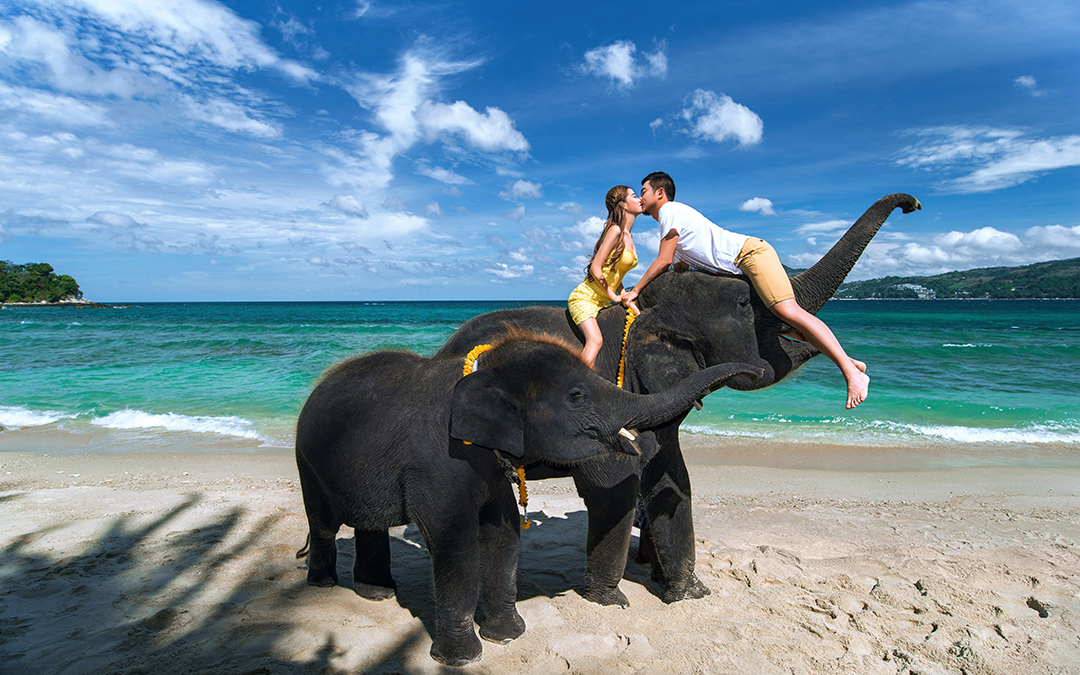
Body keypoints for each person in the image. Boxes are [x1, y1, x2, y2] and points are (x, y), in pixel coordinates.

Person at [622, 171, 870, 409]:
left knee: (788, 311)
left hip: (750, 255)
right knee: (791, 329)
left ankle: (852, 375)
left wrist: (635, 291)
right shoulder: (671, 223)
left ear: (660, 193)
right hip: (740, 269)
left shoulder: (669, 211)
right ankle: (848, 362)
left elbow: (663, 261)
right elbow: (679, 267)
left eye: (643, 191)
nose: (640, 197)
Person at [568, 185, 642, 368]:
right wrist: (614, 297)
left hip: (602, 301)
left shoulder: (629, 236)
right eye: (634, 195)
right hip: (584, 298)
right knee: (595, 341)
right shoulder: (615, 230)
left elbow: (614, 274)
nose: (640, 198)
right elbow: (596, 268)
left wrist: (625, 295)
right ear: (623, 204)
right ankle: (575, 387)